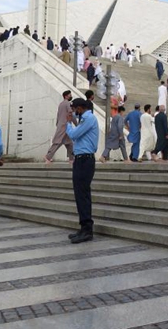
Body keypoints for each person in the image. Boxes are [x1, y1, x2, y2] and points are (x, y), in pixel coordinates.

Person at [66, 98, 99, 243]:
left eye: (74, 109)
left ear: (80, 108)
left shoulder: (89, 118)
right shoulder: (84, 119)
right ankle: (83, 226)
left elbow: (73, 135)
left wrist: (68, 123)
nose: (73, 112)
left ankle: (87, 229)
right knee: (80, 194)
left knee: (83, 194)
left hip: (85, 160)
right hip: (81, 159)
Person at [45, 91, 74, 164]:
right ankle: (48, 156)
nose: (71, 96)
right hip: (65, 125)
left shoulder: (60, 104)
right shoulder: (68, 103)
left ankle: (72, 158)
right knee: (58, 142)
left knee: (69, 143)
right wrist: (76, 123)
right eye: (69, 95)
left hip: (62, 125)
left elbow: (58, 115)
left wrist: (58, 124)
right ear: (66, 96)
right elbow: (70, 113)